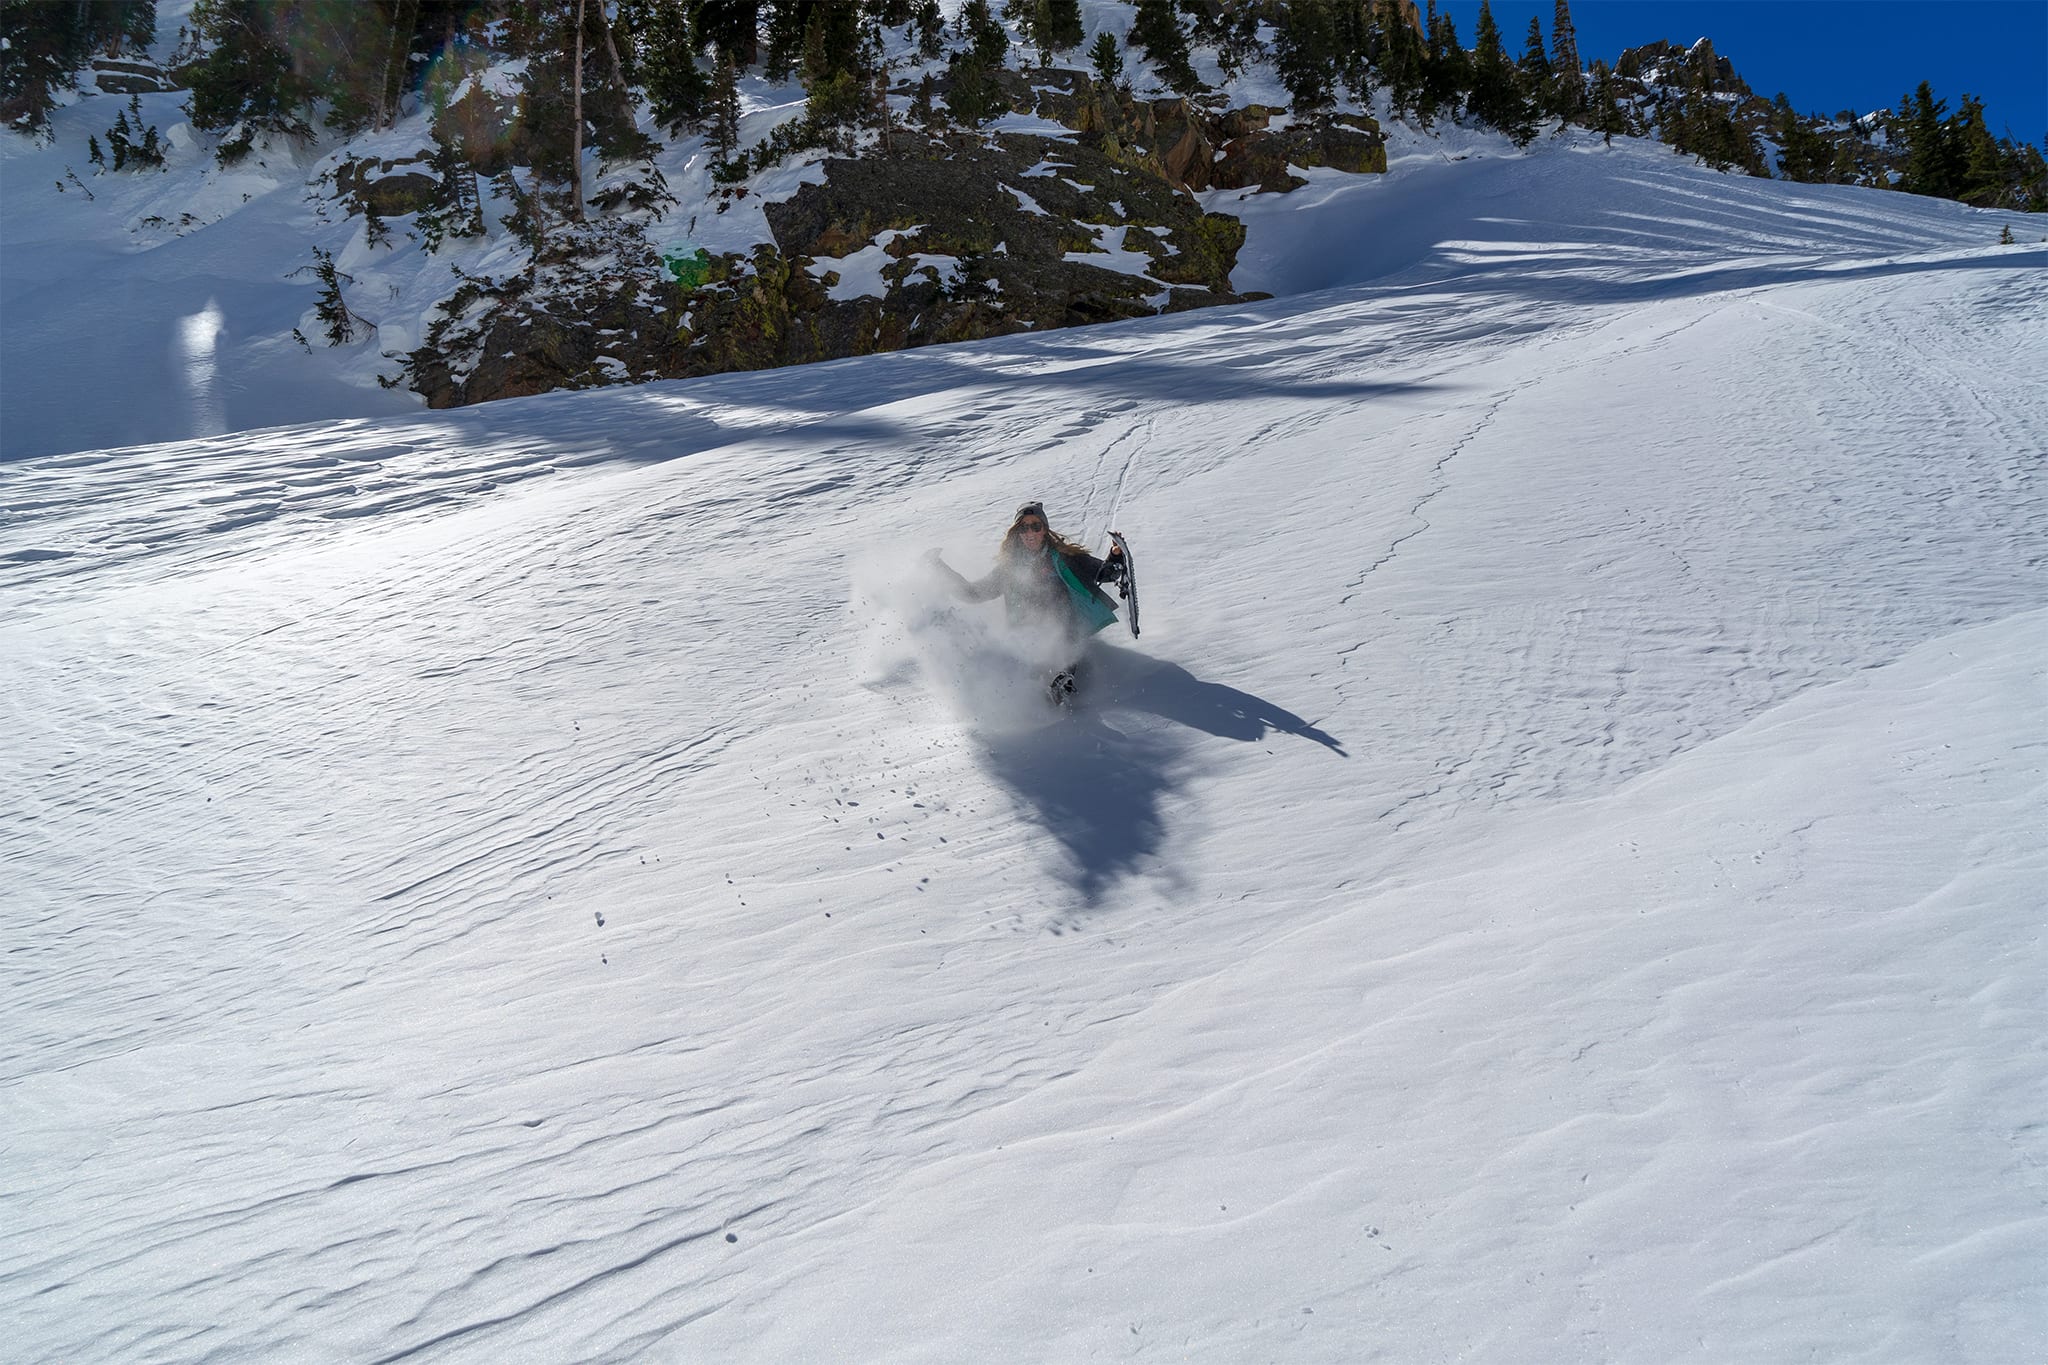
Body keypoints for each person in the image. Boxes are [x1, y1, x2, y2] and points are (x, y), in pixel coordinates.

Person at [927, 500, 1127, 702]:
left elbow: (1104, 573)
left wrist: (1116, 556)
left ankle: (1063, 680)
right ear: (1017, 532)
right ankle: (1041, 689)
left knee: (1062, 619)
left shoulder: (1064, 557)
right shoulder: (1009, 568)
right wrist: (939, 568)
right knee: (1030, 654)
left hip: (1067, 625)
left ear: (1044, 530)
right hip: (1029, 632)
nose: (1030, 532)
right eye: (1024, 527)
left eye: (1035, 526)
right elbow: (974, 593)